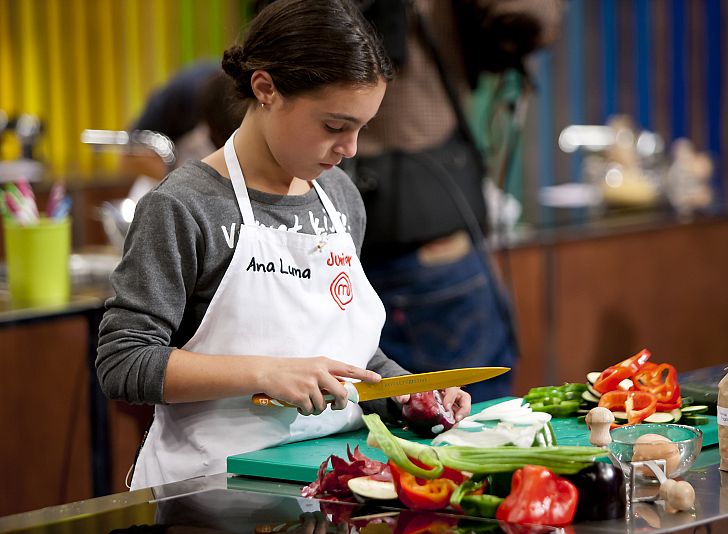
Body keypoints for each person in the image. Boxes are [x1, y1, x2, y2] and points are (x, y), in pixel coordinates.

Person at [96, 0, 471, 491]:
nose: (350, 149)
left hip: (330, 478)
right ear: (266, 89)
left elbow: (347, 353)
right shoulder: (183, 207)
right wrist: (263, 373)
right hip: (212, 489)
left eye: (362, 128)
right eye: (334, 126)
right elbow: (124, 361)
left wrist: (407, 393)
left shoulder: (340, 197)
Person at [352, 0, 564, 402]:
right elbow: (532, 13)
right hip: (423, 251)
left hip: (343, 248)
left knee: (387, 421)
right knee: (474, 418)